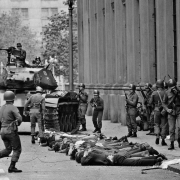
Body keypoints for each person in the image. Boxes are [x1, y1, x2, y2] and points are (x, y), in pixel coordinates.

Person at [0, 91, 22, 173]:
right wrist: (17, 124)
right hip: (11, 131)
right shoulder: (13, 107)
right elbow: (19, 119)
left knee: (8, 150)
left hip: (2, 131)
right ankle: (12, 167)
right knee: (17, 149)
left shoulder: (1, 108)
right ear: (13, 99)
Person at [149, 79, 168, 146]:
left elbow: (150, 102)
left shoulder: (154, 93)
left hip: (156, 109)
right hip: (163, 110)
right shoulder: (166, 92)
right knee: (164, 125)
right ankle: (163, 140)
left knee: (156, 124)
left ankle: (157, 136)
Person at [163, 79, 180, 150]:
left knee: (179, 127)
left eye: (173, 86)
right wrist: (167, 109)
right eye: (171, 87)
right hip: (171, 111)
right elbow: (164, 103)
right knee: (171, 128)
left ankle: (179, 140)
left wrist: (178, 93)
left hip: (179, 110)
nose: (172, 88)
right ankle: (172, 143)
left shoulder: (179, 91)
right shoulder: (167, 93)